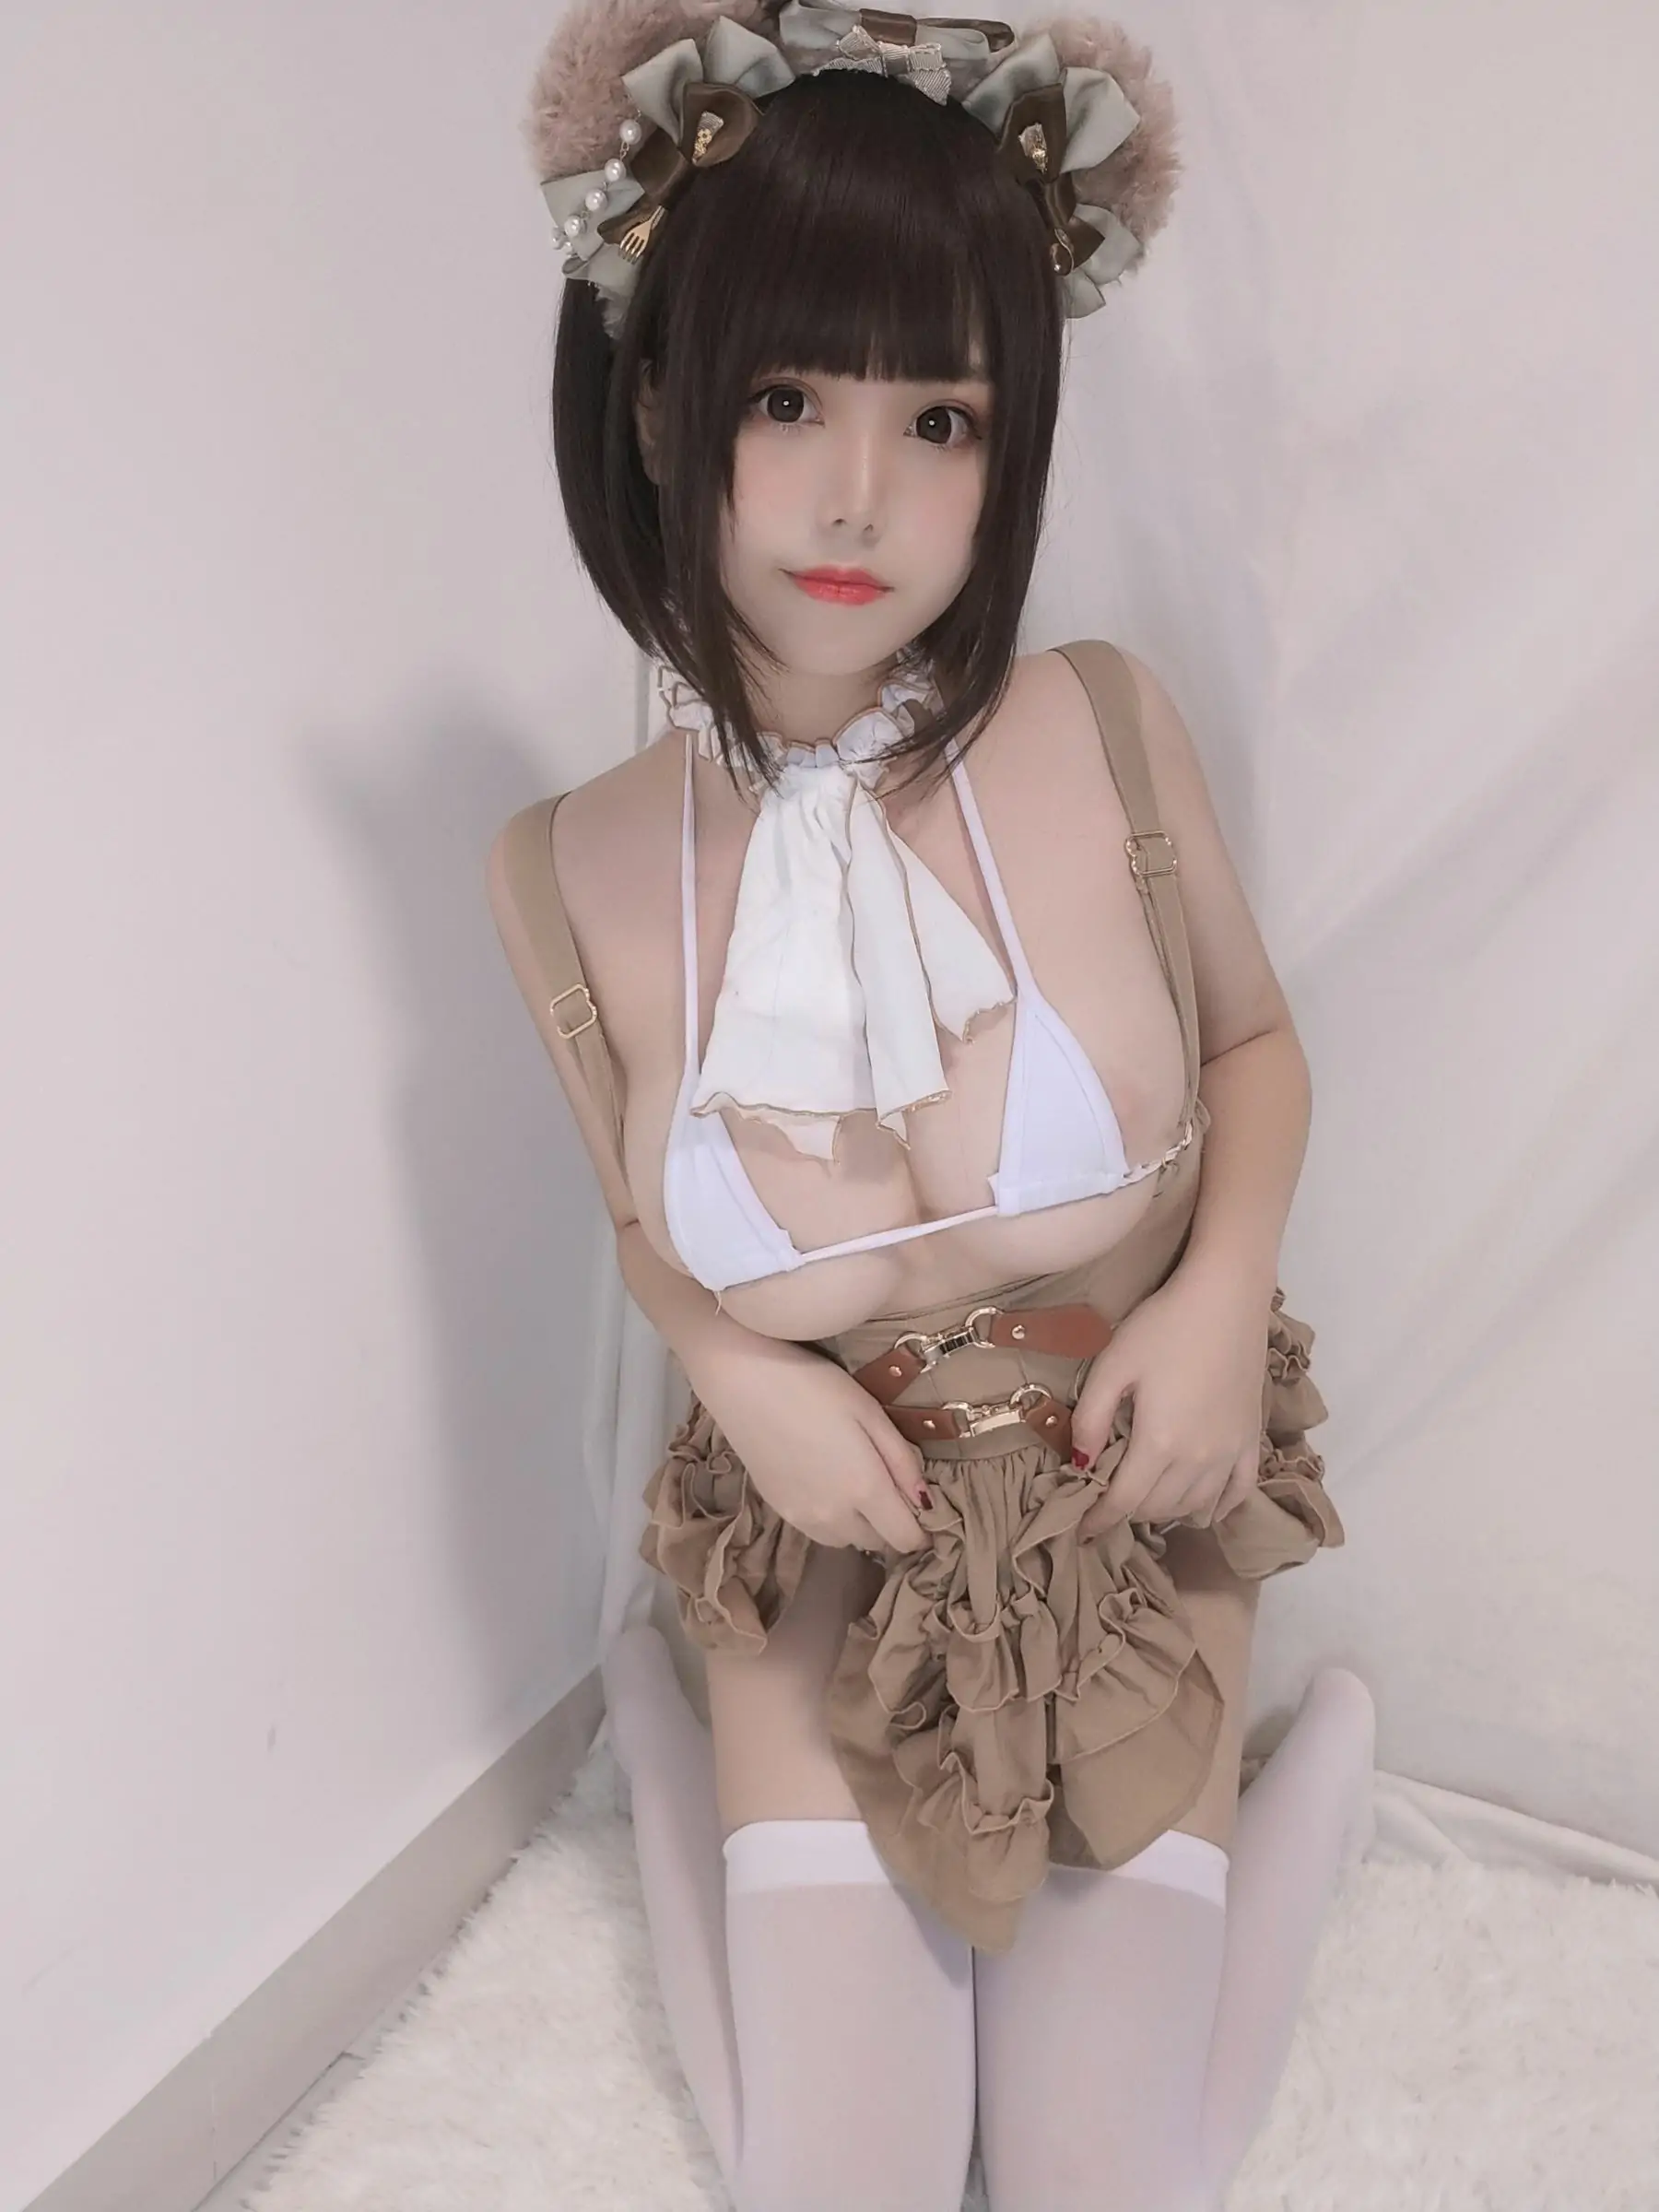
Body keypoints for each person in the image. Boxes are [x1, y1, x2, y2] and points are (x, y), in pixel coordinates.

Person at [488, 4, 1377, 2205]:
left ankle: (1326, 1771)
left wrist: (1218, 1298)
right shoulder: (564, 867)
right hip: (823, 1548)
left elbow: (1254, 1047)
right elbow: (644, 1222)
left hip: (1124, 1509)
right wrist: (735, 1377)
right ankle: (672, 1744)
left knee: (1099, 2186)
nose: (860, 496)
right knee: (842, 2188)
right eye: (788, 398)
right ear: (664, 401)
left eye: (943, 416)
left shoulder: (1101, 723)